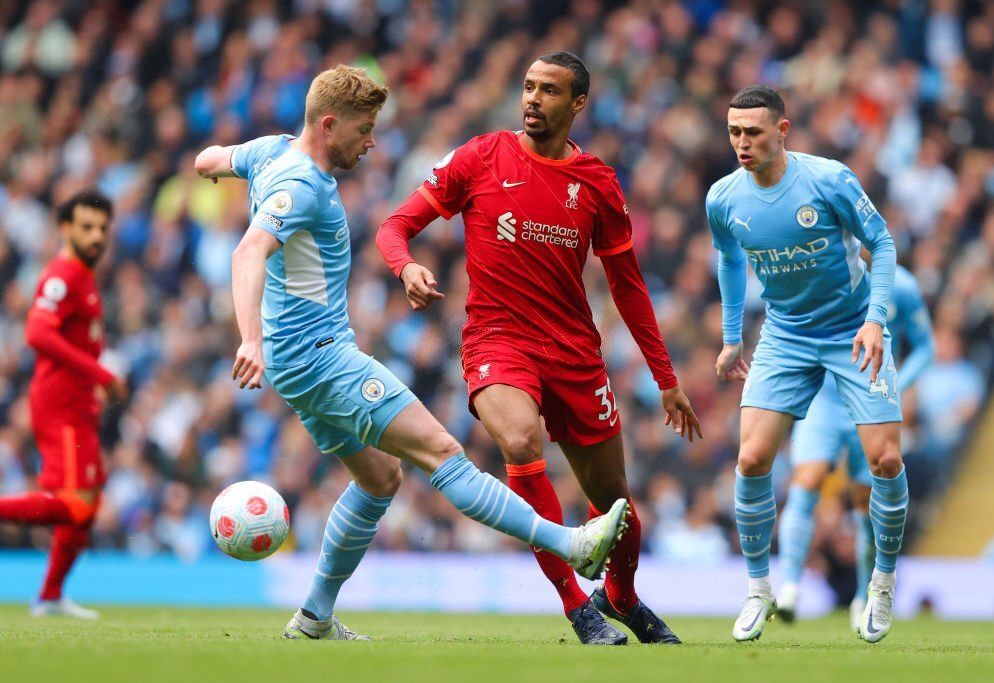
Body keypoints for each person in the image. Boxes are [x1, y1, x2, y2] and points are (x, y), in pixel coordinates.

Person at [194, 64, 628, 642]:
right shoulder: (298, 183)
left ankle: (315, 616)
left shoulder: (270, 151)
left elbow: (209, 159)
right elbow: (248, 252)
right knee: (442, 452)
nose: (372, 141)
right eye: (364, 129)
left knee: (379, 480)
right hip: (320, 358)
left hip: (299, 366)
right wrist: (248, 337)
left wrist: (215, 164)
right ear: (329, 125)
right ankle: (569, 543)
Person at [376, 51, 702, 646]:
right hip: (497, 341)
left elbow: (628, 287)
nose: (532, 99)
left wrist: (666, 378)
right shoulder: (481, 156)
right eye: (527, 87)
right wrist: (406, 269)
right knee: (521, 443)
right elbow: (394, 225)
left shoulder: (598, 182)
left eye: (548, 90)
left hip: (576, 353)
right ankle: (578, 606)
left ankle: (622, 597)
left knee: (617, 510)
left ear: (577, 103)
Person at [706, 85, 908, 644]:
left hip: (851, 333)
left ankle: (883, 584)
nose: (742, 143)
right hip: (786, 336)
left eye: (753, 132)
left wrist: (874, 319)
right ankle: (758, 589)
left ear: (783, 130)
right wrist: (730, 338)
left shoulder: (828, 179)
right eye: (734, 132)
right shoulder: (723, 198)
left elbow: (882, 243)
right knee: (750, 459)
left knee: (885, 461)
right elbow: (728, 261)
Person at [777, 263, 934, 630]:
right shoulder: (823, 271)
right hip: (825, 402)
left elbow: (926, 348)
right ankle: (788, 587)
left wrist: (894, 385)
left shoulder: (904, 285)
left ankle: (864, 597)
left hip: (871, 402)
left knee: (867, 506)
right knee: (807, 480)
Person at [0, 190, 126, 619]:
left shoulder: (84, 275)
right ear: (64, 228)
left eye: (102, 229)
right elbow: (37, 333)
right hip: (59, 406)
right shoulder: (62, 274)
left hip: (78, 406)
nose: (96, 236)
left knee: (87, 501)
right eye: (86, 227)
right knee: (73, 503)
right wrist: (101, 374)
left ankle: (51, 596)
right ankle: (50, 594)